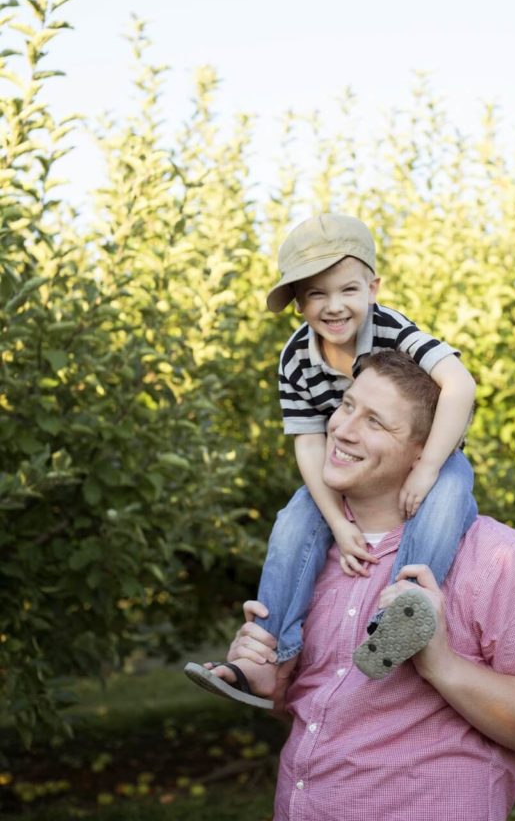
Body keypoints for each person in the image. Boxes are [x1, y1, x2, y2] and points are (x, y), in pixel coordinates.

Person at [220, 352, 515, 821]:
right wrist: (270, 680)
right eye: (347, 405)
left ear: (425, 449)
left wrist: (442, 665)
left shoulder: (495, 559)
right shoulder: (310, 556)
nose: (342, 429)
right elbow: (328, 711)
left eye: (376, 422)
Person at [186, 212, 478, 704]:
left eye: (347, 290)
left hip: (426, 450)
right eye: (316, 295)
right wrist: (337, 524)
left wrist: (427, 466)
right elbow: (308, 441)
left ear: (372, 287)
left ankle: (400, 615)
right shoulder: (295, 358)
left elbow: (460, 383)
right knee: (294, 518)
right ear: (299, 304)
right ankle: (265, 658)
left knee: (450, 490)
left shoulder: (393, 330)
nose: (333, 306)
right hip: (348, 464)